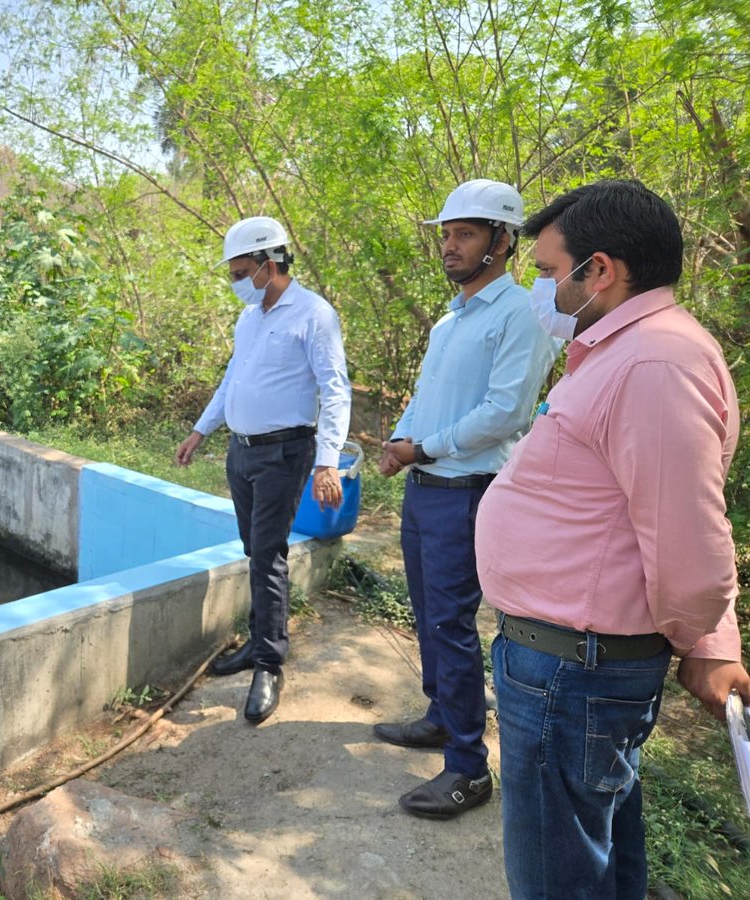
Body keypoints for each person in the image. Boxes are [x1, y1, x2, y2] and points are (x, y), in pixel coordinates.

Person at [476, 179, 748, 898]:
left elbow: (690, 541)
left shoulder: (654, 363)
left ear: (599, 270)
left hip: (575, 671)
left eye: (545, 272)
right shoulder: (625, 352)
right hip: (571, 665)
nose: (541, 290)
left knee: (557, 877)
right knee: (593, 863)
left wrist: (703, 640)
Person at [373, 179, 556, 820]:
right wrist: (402, 436)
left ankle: (468, 769)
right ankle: (440, 716)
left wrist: (421, 447)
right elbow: (427, 397)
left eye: (466, 233)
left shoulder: (522, 315)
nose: (450, 245)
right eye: (447, 234)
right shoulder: (453, 315)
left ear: (503, 241)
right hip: (426, 489)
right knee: (426, 613)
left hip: (467, 491)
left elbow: (504, 414)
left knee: (451, 624)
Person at [175, 216, 352, 725]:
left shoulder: (313, 315)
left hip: (284, 453)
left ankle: (270, 664)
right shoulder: (249, 318)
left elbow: (335, 389)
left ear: (268, 264)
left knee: (269, 555)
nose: (235, 282)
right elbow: (233, 378)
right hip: (243, 451)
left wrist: (326, 462)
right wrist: (201, 429)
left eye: (240, 271)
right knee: (255, 550)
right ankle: (258, 644)